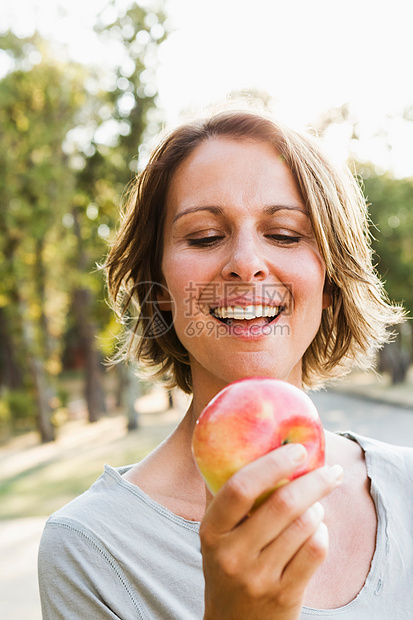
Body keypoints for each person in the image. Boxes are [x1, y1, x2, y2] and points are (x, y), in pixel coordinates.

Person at [38, 107, 413, 620]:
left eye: (284, 234)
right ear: (161, 286)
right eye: (205, 237)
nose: (245, 262)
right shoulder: (92, 549)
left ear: (329, 282)